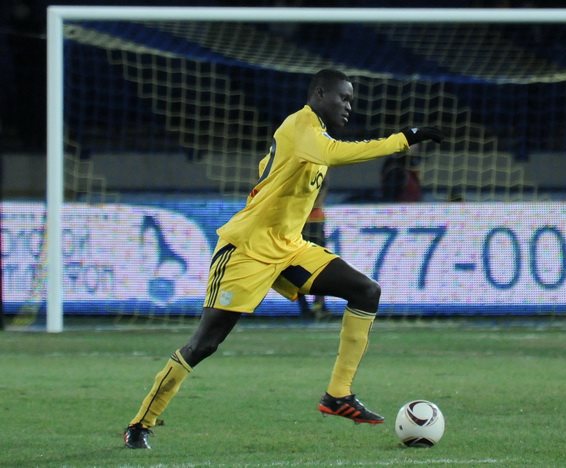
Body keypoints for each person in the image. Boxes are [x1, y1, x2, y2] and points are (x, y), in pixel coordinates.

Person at [123, 69, 442, 449]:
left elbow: (270, 167)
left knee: (365, 291)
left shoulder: (313, 136)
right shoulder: (301, 125)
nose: (348, 106)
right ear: (319, 94)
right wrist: (404, 139)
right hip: (246, 250)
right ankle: (140, 423)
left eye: (351, 100)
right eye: (343, 98)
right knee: (204, 344)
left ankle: (337, 395)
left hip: (289, 247)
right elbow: (334, 154)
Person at [297, 178, 331, 320]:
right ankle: (306, 306)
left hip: (313, 220)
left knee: (320, 265)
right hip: (300, 221)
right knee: (297, 265)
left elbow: (323, 189)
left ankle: (319, 304)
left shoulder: (318, 173)